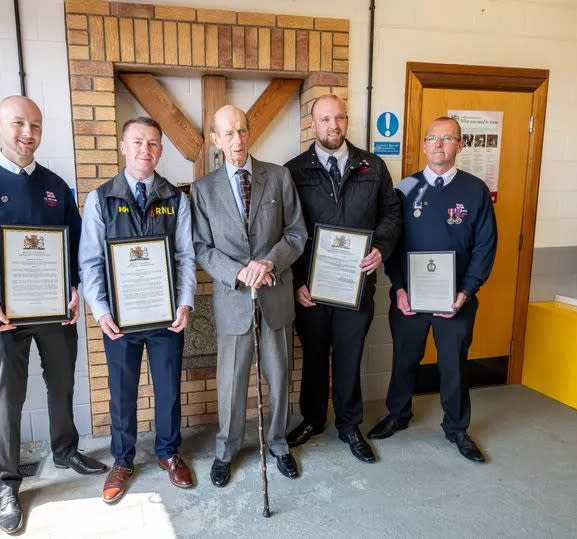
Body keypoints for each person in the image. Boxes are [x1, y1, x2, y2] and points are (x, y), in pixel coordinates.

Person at [0, 96, 106, 535]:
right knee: (8, 399)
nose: (27, 133)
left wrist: (75, 288)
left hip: (55, 311)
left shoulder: (55, 185)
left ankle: (65, 449)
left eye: (35, 124)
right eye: (18, 123)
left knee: (62, 384)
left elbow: (76, 246)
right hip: (3, 315)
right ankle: (7, 484)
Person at [78, 117, 196, 504]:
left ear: (160, 150)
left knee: (168, 390)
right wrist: (100, 310)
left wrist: (185, 302)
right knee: (122, 392)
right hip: (120, 320)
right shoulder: (100, 198)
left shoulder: (176, 199)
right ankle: (123, 460)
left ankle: (167, 452)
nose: (146, 149)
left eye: (153, 144)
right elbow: (91, 261)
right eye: (138, 142)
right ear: (123, 147)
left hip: (165, 317)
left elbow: (185, 257)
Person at [367, 116, 498, 463]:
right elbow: (390, 243)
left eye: (447, 138)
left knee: (453, 364)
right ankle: (398, 414)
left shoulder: (475, 191)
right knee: (405, 359)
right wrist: (398, 288)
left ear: (460, 145)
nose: (439, 144)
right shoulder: (404, 190)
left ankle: (456, 428)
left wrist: (466, 291)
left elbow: (486, 245)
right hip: (409, 297)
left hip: (455, 299)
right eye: (432, 138)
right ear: (424, 145)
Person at [191, 105, 307, 486]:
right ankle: (227, 448)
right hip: (233, 298)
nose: (237, 140)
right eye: (228, 133)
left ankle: (277, 442)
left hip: (275, 297)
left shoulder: (278, 176)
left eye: (242, 130)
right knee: (232, 381)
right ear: (215, 140)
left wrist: (269, 263)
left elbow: (296, 234)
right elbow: (202, 247)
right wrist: (238, 272)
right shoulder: (203, 190)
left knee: (279, 374)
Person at [284, 94, 402, 462]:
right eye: (324, 119)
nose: (333, 126)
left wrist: (381, 248)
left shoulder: (373, 166)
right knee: (315, 356)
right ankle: (313, 419)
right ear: (312, 124)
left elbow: (392, 214)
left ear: (346, 121)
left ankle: (350, 425)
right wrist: (296, 282)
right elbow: (286, 229)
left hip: (356, 286)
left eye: (338, 118)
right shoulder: (293, 171)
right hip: (312, 289)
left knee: (350, 356)